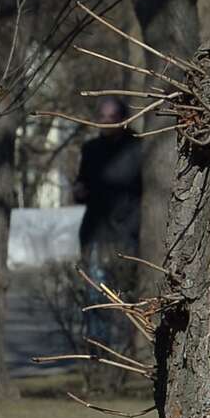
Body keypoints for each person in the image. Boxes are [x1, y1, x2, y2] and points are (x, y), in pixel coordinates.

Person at [73, 97, 146, 345]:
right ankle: (99, 351)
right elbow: (81, 185)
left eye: (111, 117)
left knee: (126, 296)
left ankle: (128, 348)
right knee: (96, 295)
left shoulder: (138, 148)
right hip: (96, 233)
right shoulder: (91, 149)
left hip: (128, 232)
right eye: (101, 117)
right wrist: (80, 191)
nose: (105, 122)